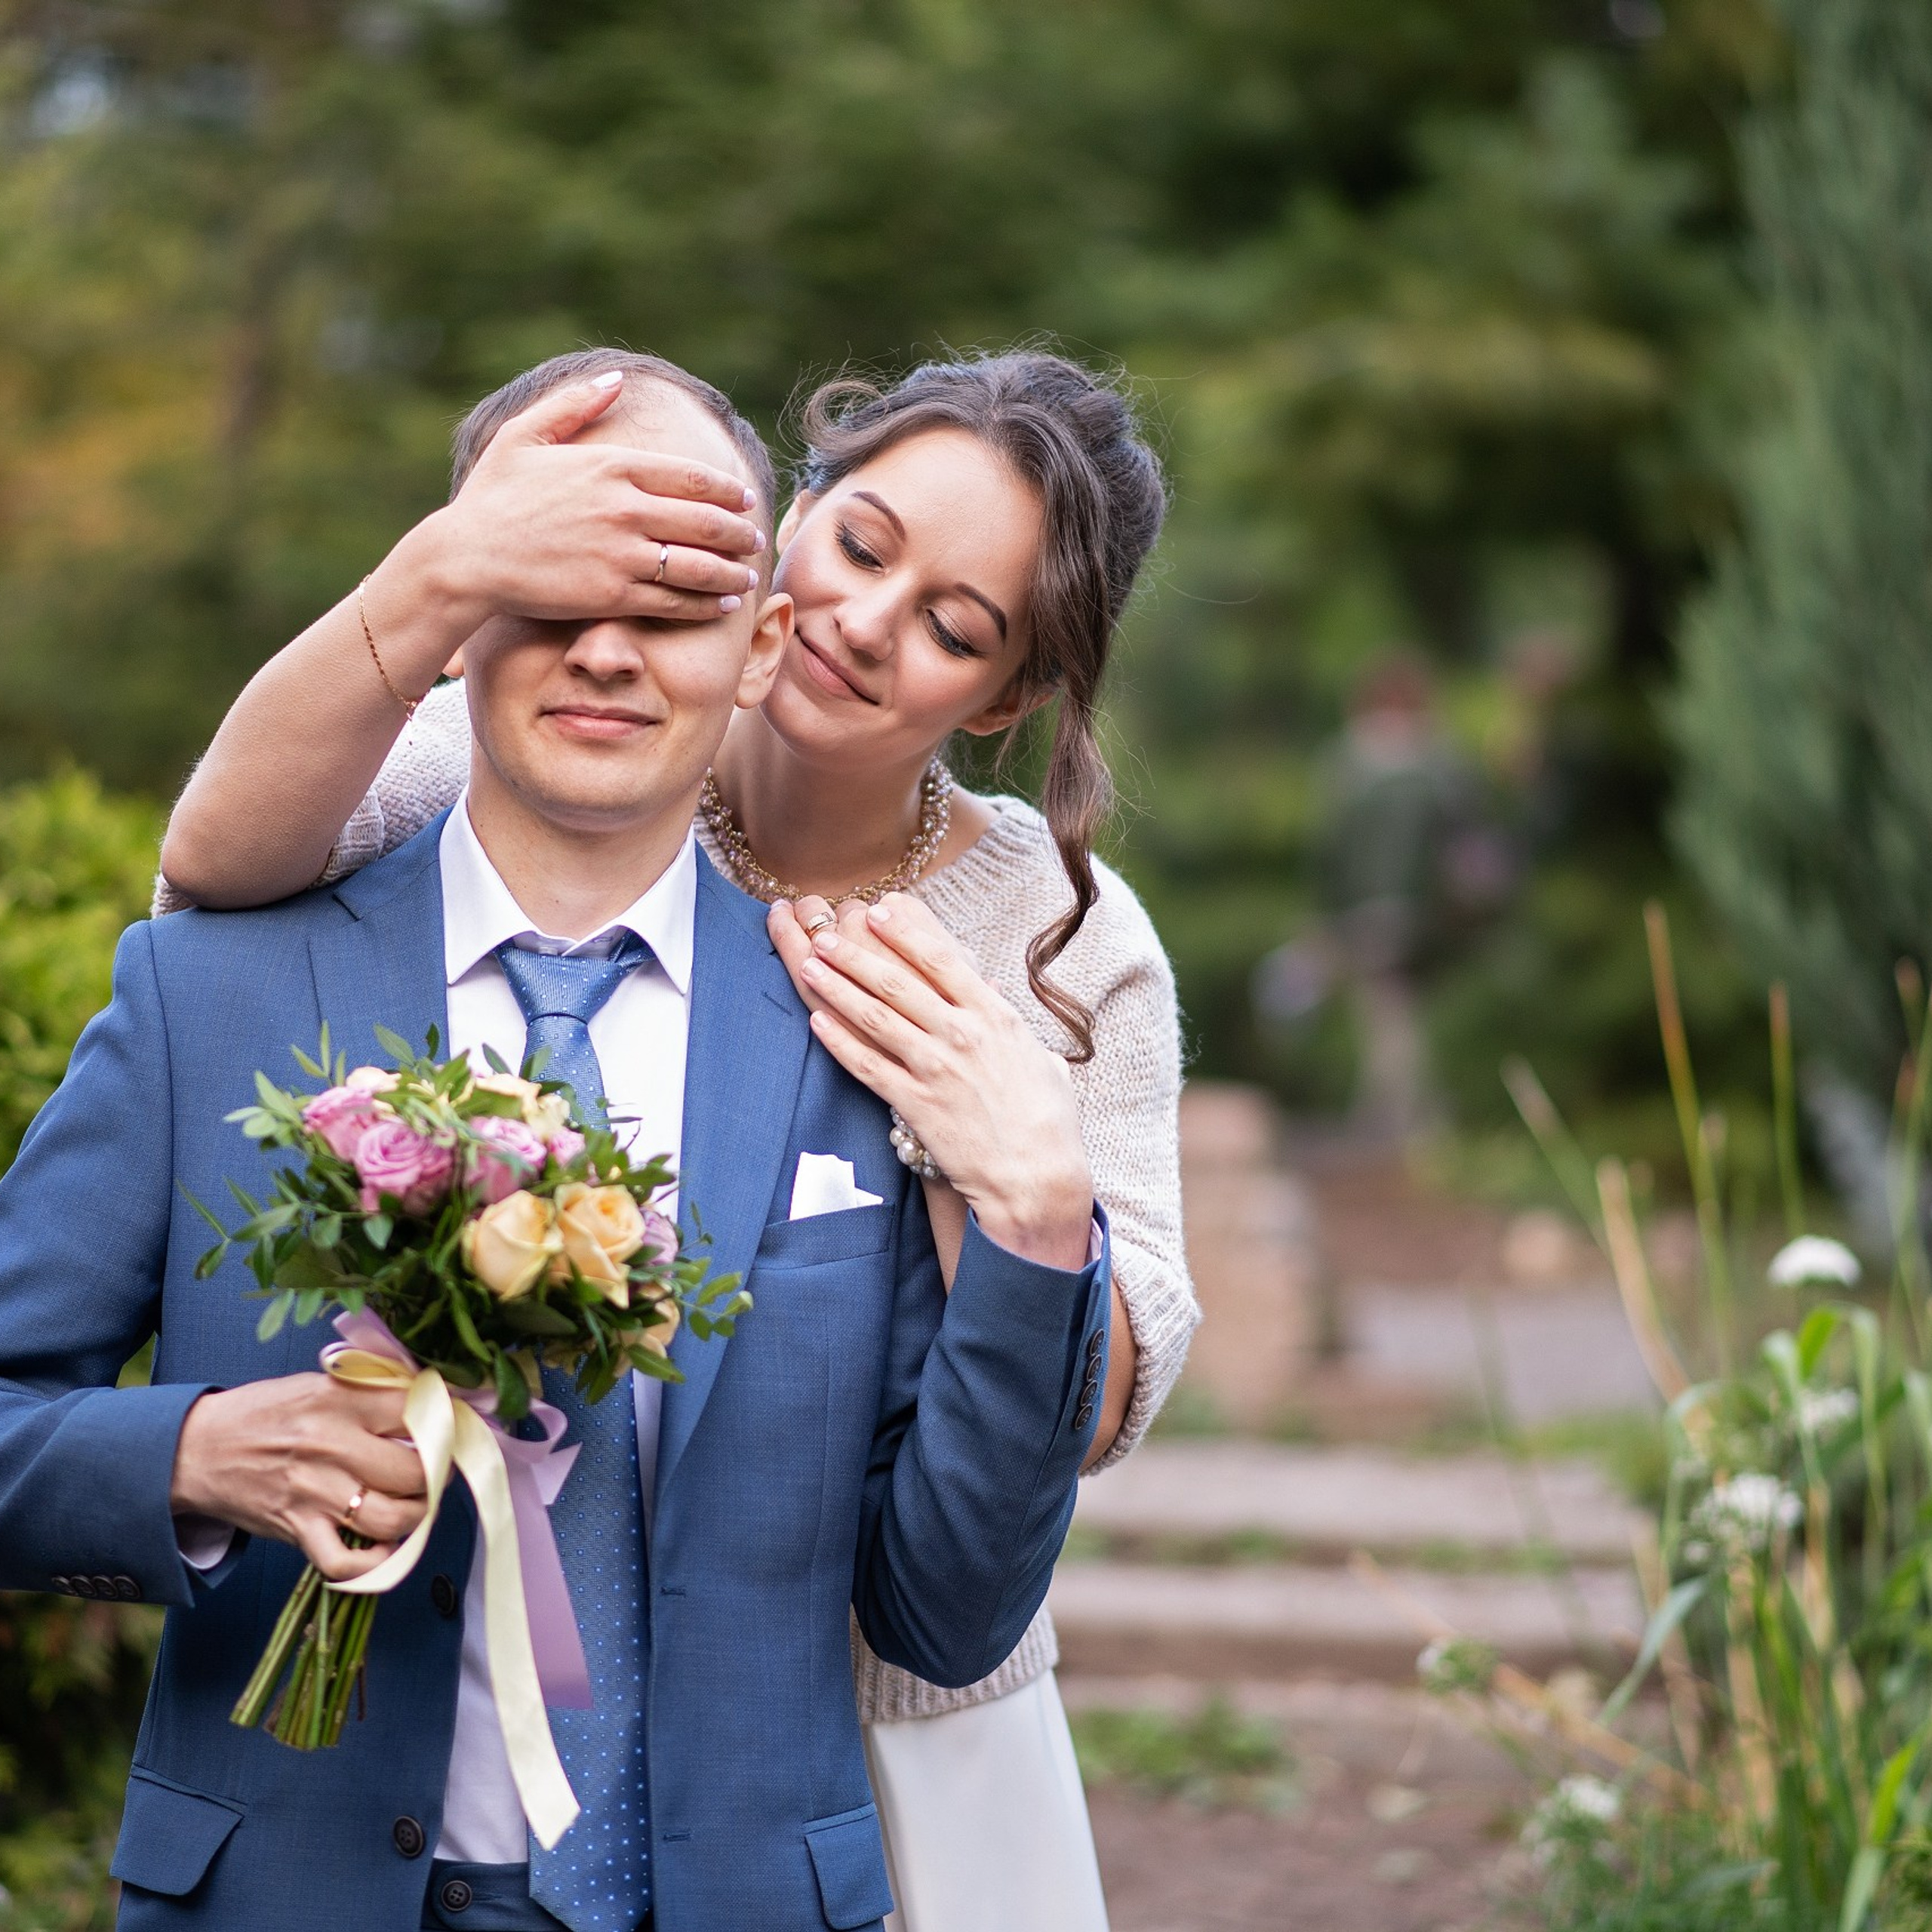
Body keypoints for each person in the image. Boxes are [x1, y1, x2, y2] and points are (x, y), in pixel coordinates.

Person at [0, 353, 1118, 1932]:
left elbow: (945, 1611)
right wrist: (185, 1455)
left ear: (763, 643)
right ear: (457, 609)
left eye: (668, 605)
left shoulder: (863, 1044)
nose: (603, 648)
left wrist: (1040, 1216)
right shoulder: (210, 990)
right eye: (544, 590)